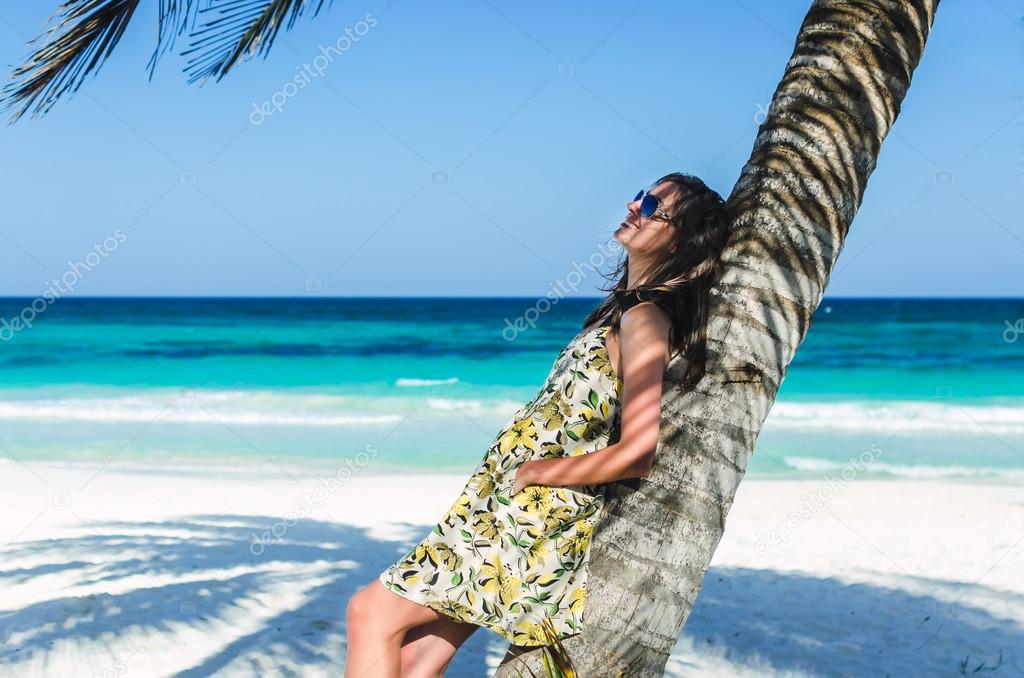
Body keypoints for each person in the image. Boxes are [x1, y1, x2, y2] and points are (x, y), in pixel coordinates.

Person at [345, 172, 732, 677]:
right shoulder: (620, 312)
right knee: (421, 658)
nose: (634, 206)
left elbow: (639, 448)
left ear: (678, 238)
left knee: (369, 610)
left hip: (531, 513)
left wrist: (535, 474)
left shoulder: (645, 318)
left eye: (653, 205)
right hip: (501, 503)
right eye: (640, 194)